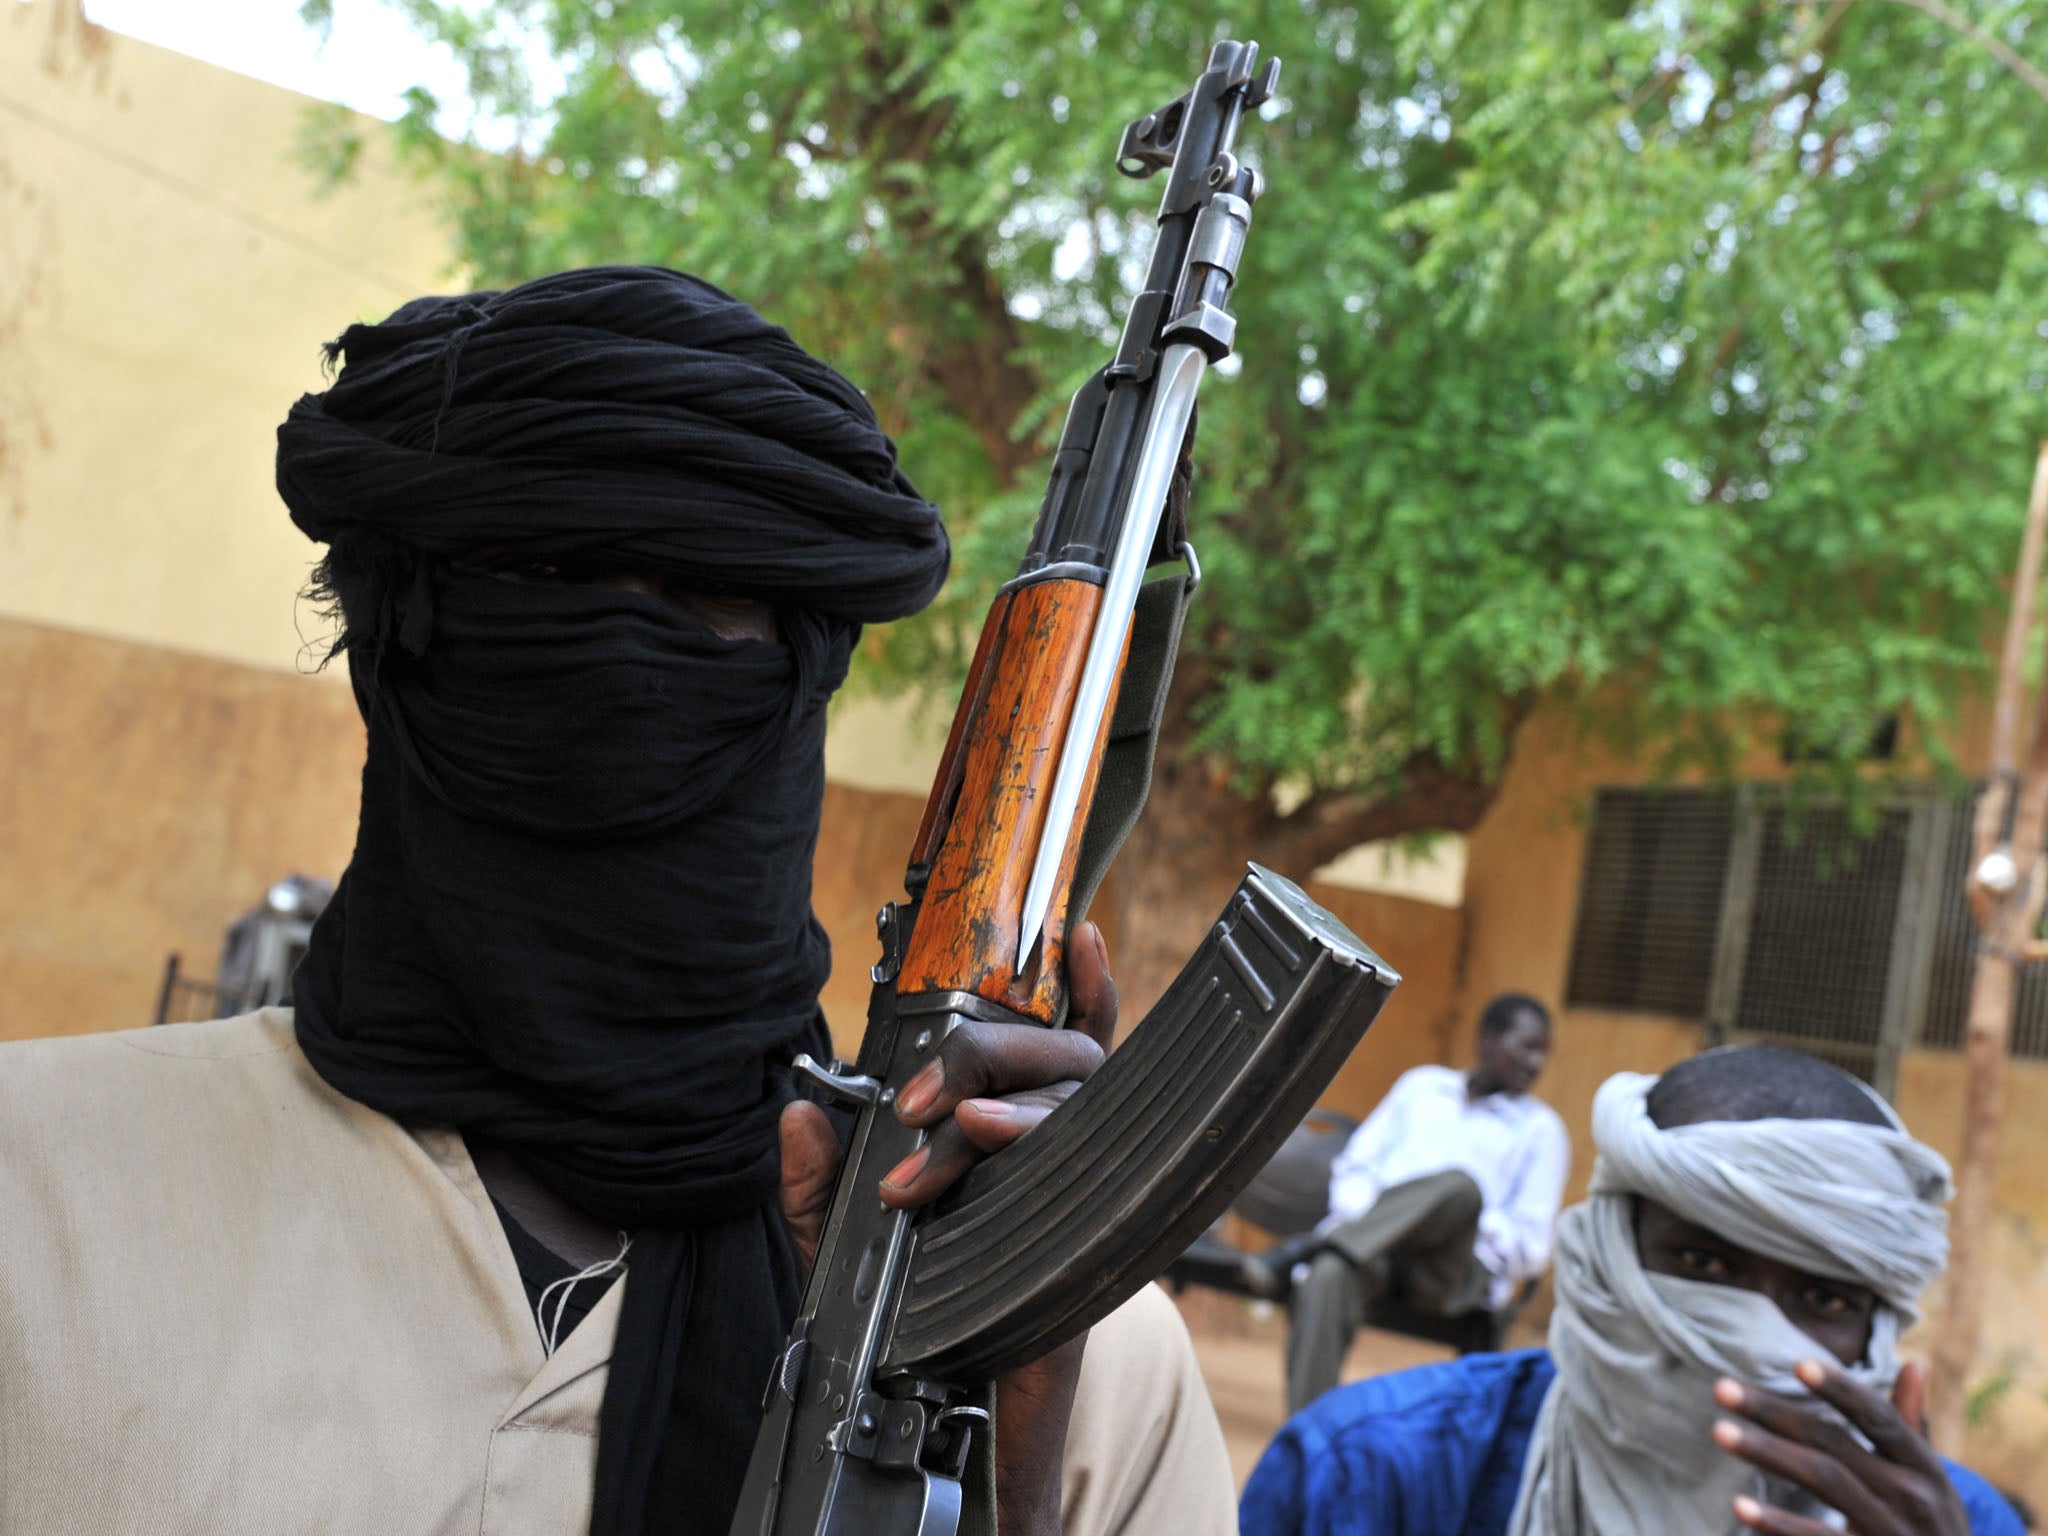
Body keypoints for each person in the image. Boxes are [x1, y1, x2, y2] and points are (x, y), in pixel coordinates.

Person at [0, 267, 1235, 1536]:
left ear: (805, 676)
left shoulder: (1088, 1372)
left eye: (709, 604)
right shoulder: (36, 1201)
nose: (622, 669)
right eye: (540, 582)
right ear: (394, 647)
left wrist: (981, 1466)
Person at [1239, 1045, 2026, 1536]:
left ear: (1880, 1337)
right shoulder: (1366, 1479)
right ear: (1602, 1261)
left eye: (1825, 1303)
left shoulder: (1966, 1528)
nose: (1752, 1340)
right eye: (1704, 1267)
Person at [1248, 992, 1569, 1413]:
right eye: (1526, 1047)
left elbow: (1530, 1248)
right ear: (1488, 1038)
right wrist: (1385, 1220)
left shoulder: (1541, 1131)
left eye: (1543, 1053)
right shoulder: (1422, 1087)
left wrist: (1446, 1218)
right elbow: (1355, 1167)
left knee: (1460, 1188)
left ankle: (1314, 1245)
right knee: (1328, 1275)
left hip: (1452, 1271)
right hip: (1375, 1253)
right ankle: (1309, 1438)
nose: (1536, 1064)